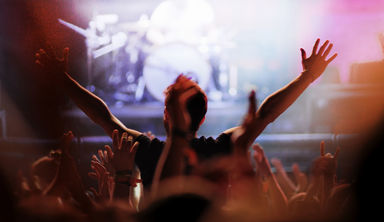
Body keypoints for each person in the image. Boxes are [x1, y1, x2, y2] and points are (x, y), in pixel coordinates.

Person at [35, 39, 337, 187]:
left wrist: (63, 80)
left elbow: (104, 117)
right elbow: (266, 114)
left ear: (167, 115)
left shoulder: (149, 151)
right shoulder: (221, 148)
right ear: (203, 118)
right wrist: (305, 78)